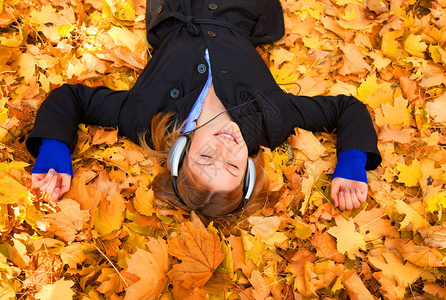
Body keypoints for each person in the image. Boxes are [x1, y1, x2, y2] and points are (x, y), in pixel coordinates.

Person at [27, 0, 381, 218]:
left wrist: (54, 149)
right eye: (231, 165)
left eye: (205, 159)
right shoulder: (275, 118)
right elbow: (346, 109)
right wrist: (352, 163)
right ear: (248, 169)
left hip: (174, 9)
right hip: (242, 9)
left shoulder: (143, 115)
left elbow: (70, 99)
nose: (225, 148)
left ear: (181, 152)